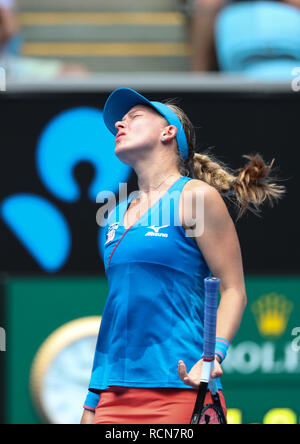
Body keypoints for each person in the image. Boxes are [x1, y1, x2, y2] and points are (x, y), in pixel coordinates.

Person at [81, 88, 285, 424]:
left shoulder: (196, 197)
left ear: (168, 132)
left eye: (134, 117)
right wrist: (92, 399)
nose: (119, 123)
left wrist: (213, 355)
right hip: (111, 396)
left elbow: (234, 290)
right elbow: (118, 314)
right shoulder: (113, 217)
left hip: (179, 388)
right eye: (120, 120)